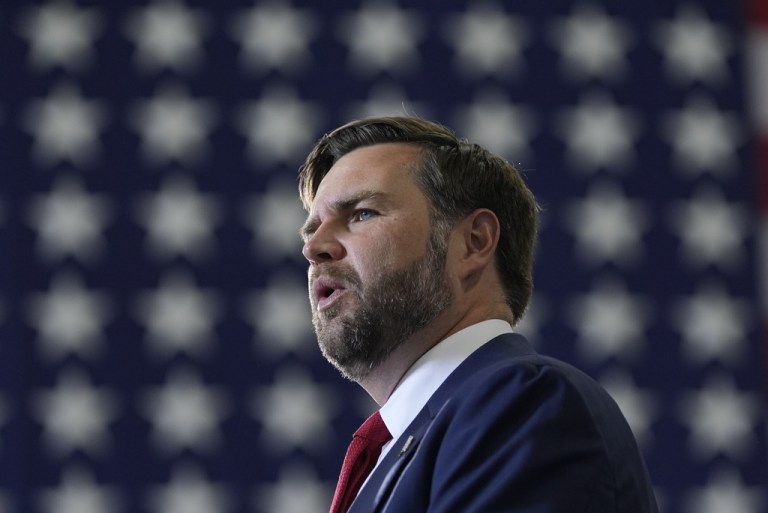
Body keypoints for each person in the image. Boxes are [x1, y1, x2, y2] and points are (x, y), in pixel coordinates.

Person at [298, 116, 658, 513]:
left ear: (474, 242)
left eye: (362, 213)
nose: (314, 247)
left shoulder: (524, 404)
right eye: (312, 230)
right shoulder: (402, 450)